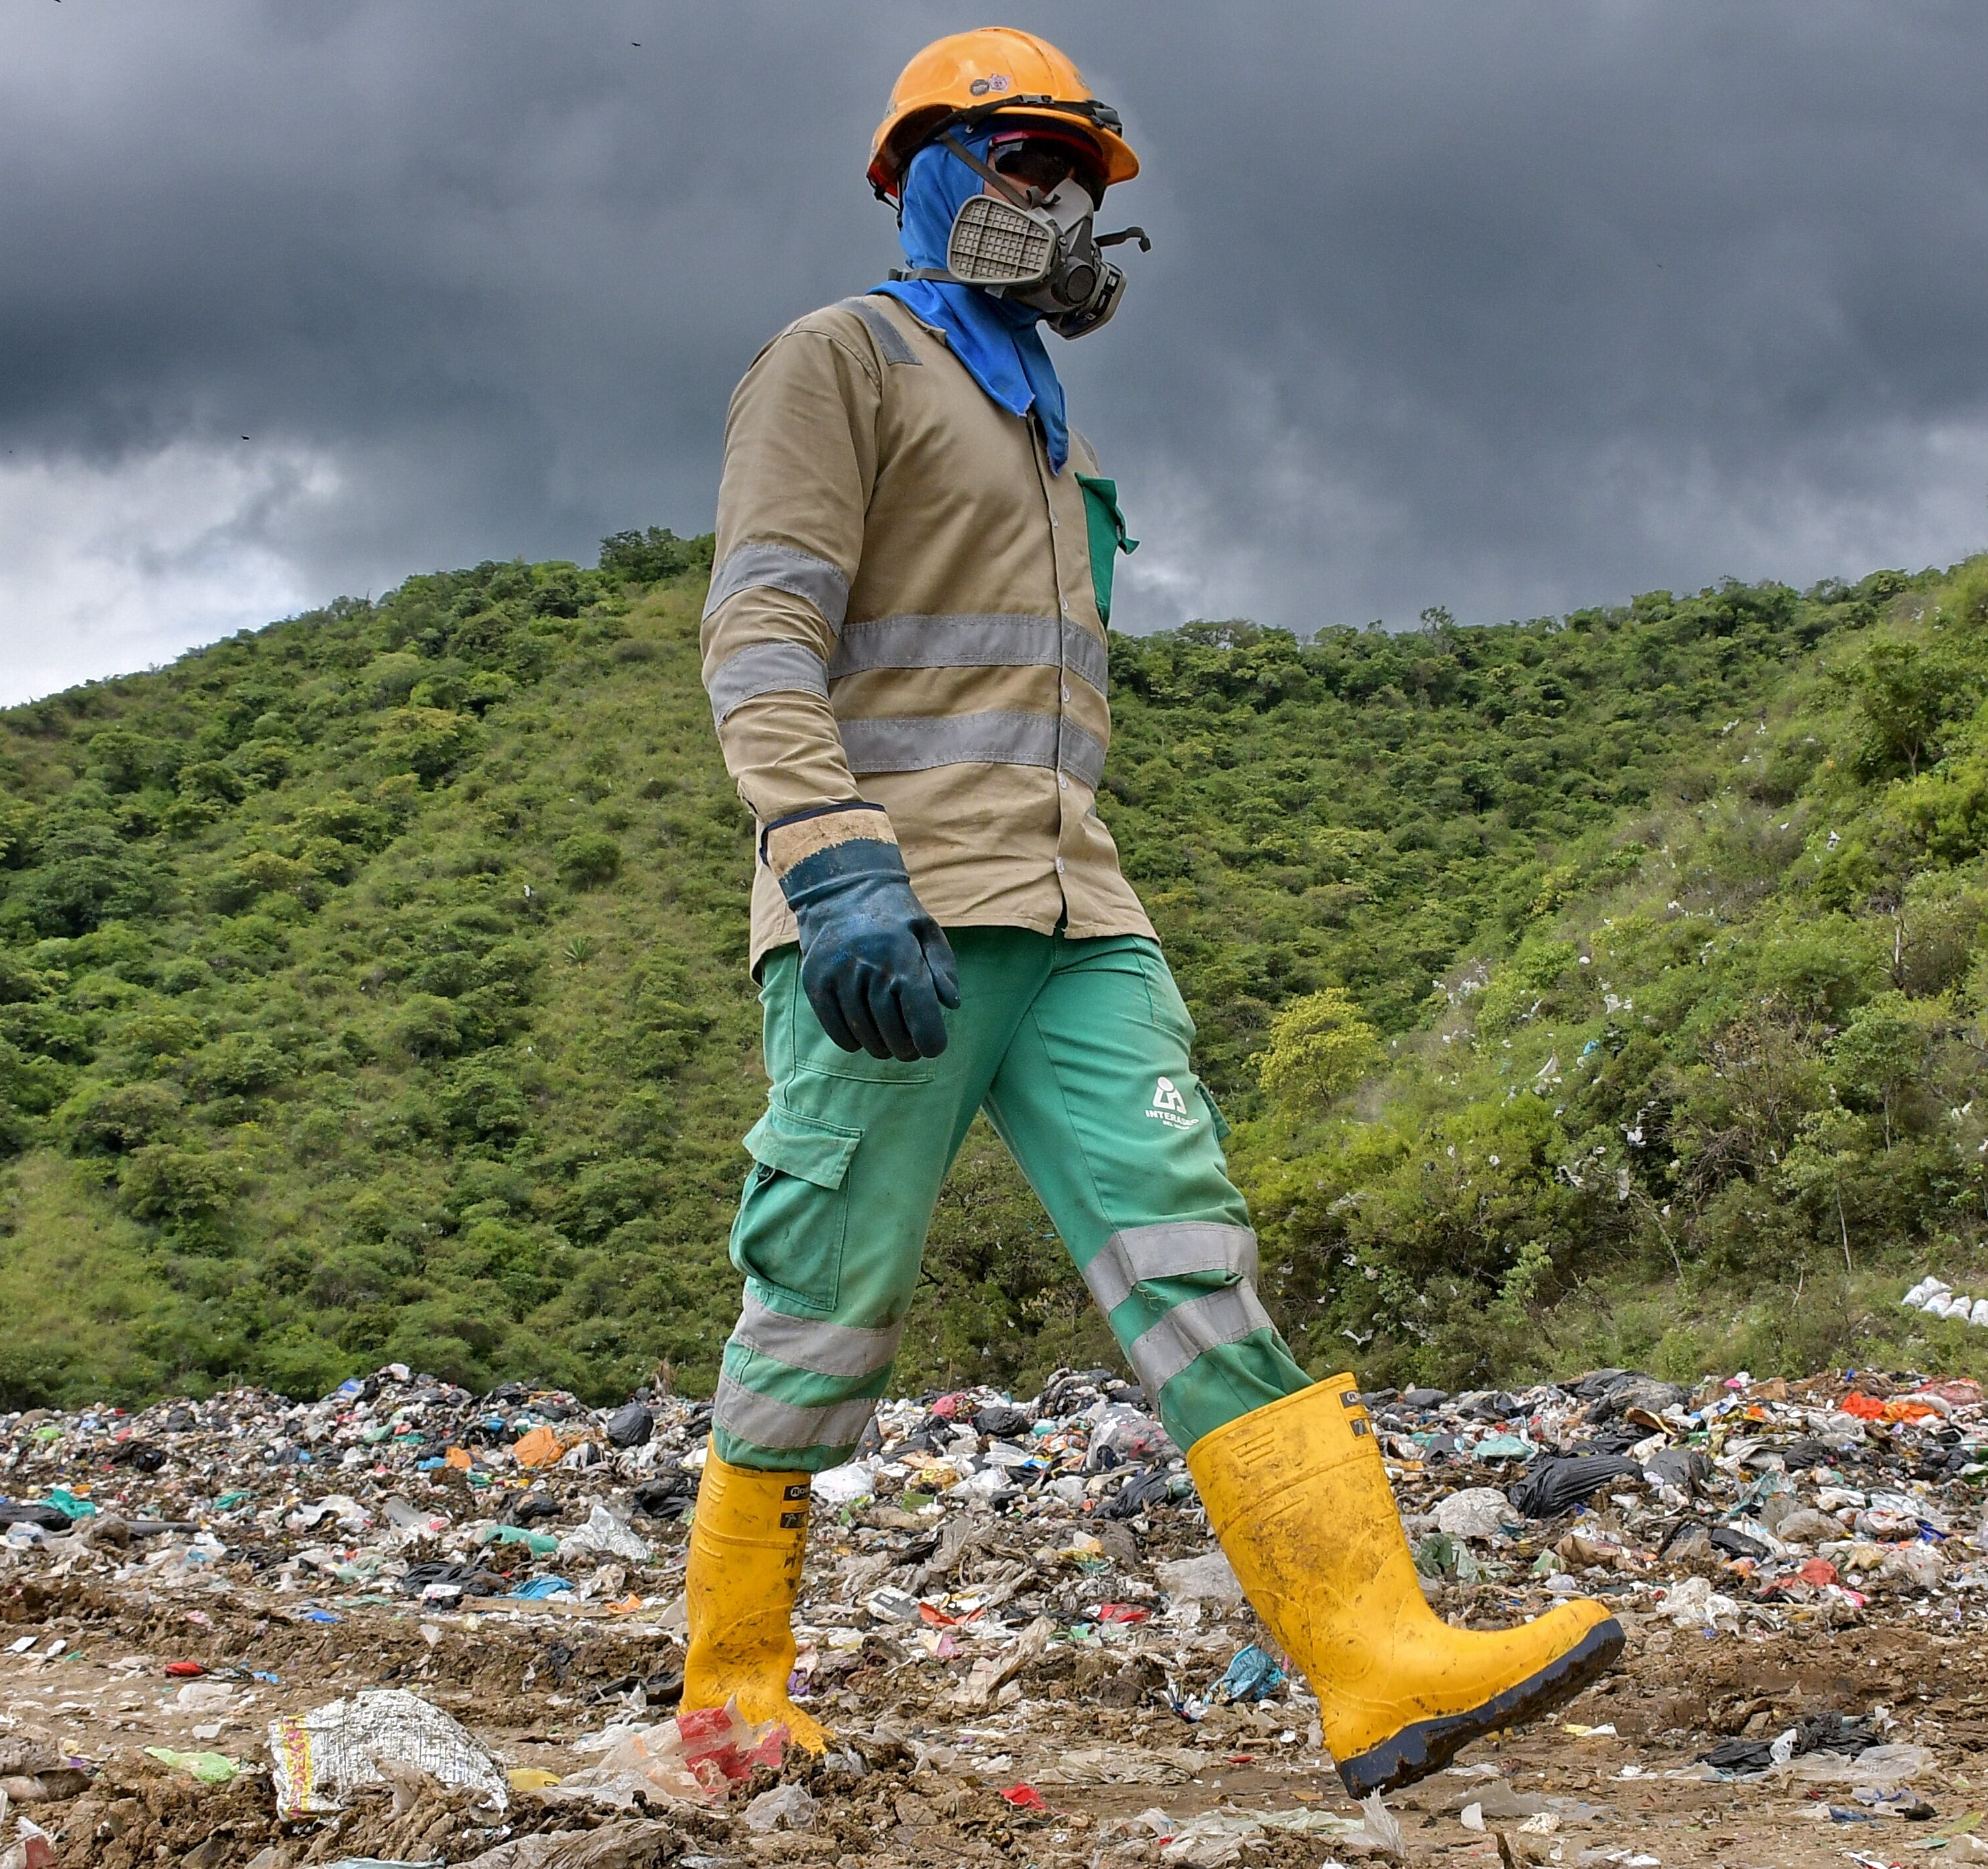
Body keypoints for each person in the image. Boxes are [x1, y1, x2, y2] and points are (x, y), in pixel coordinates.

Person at [681, 27, 1624, 1795]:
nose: (1051, 202)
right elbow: (760, 633)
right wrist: (829, 853)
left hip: (1075, 909)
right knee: (819, 1298)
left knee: (1193, 1256)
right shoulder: (838, 362)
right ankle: (732, 1694)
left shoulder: (1046, 420)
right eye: (1019, 162)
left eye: (1073, 175)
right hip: (894, 915)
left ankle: (1371, 1658)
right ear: (921, 175)